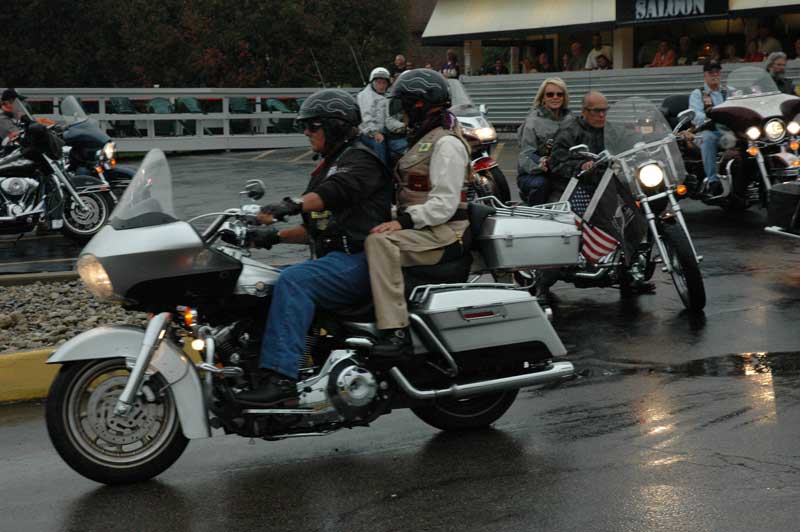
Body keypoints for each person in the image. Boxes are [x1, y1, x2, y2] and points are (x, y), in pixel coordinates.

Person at [236, 89, 393, 405]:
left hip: (362, 260)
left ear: (335, 126)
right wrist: (270, 238)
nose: (306, 132)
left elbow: (336, 192)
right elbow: (317, 228)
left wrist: (288, 205)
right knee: (258, 282)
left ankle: (282, 379)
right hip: (338, 258)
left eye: (313, 126)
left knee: (295, 282)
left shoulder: (362, 159)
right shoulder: (330, 164)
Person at [364, 69, 471, 356]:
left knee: (379, 242)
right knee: (370, 231)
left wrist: (402, 222)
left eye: (406, 107)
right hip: (425, 230)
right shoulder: (426, 139)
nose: (404, 116)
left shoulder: (446, 143)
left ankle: (396, 331)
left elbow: (444, 204)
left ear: (419, 105)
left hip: (445, 234)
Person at [516, 77, 571, 206]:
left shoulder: (571, 119)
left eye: (559, 94)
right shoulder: (532, 121)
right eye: (550, 94)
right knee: (541, 184)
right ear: (543, 98)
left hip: (562, 171)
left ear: (564, 97)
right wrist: (541, 164)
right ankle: (534, 215)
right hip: (534, 174)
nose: (555, 97)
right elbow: (527, 154)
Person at [688, 59, 726, 197]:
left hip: (727, 131)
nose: (715, 75)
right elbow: (695, 115)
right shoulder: (698, 94)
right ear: (705, 75)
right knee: (707, 138)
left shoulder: (729, 91)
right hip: (707, 131)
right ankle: (713, 181)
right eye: (711, 72)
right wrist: (709, 115)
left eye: (717, 72)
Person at [357, 66, 401, 164]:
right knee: (379, 144)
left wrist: (403, 127)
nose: (381, 85)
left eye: (384, 83)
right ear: (372, 82)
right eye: (378, 82)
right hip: (368, 133)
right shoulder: (366, 95)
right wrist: (375, 132)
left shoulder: (386, 96)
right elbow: (366, 116)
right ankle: (381, 171)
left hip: (384, 131)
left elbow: (389, 118)